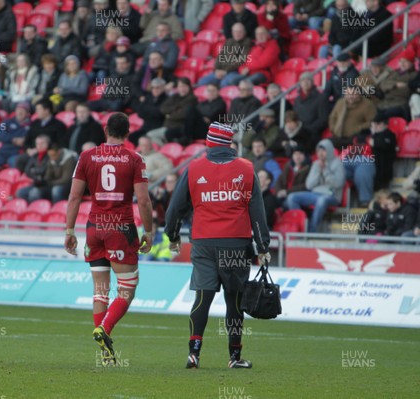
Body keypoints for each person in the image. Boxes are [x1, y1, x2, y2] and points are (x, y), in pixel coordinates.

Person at [164, 121, 270, 370]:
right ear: (229, 144)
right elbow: (257, 213)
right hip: (236, 244)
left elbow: (175, 209)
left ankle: (194, 354)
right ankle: (234, 358)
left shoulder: (193, 168)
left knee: (202, 299)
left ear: (209, 143)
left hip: (203, 243)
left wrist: (173, 236)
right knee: (234, 302)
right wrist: (263, 246)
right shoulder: (246, 169)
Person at [64, 112, 153, 366]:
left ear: (105, 131)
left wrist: (69, 231)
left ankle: (104, 351)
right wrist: (148, 230)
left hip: (94, 226)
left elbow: (74, 197)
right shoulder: (135, 159)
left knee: (100, 290)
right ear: (127, 133)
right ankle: (105, 329)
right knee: (127, 288)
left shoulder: (86, 157)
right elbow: (144, 200)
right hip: (121, 228)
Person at [286, 139, 346, 232]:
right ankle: (301, 225)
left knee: (321, 200)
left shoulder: (338, 163)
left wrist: (325, 170)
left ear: (329, 150)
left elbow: (338, 183)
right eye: (319, 151)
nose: (321, 153)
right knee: (291, 197)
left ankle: (312, 230)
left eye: (323, 150)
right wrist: (318, 170)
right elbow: (309, 185)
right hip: (315, 193)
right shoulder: (316, 164)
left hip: (332, 195)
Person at [197, 23, 252, 88]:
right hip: (221, 70)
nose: (237, 34)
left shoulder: (247, 42)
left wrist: (225, 71)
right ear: (232, 32)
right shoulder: (229, 41)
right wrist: (216, 70)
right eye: (235, 31)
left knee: (224, 84)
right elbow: (220, 56)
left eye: (240, 31)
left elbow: (240, 60)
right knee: (202, 82)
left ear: (244, 32)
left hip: (234, 71)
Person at [0, 102, 31, 168]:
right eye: (18, 110)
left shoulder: (31, 125)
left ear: (27, 113)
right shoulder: (6, 121)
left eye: (22, 111)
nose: (19, 112)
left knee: (16, 164)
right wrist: (13, 139)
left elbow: (27, 140)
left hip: (17, 153)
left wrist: (23, 141)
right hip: (2, 152)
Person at [293, 72, 328, 148]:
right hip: (298, 131)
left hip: (312, 134)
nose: (305, 82)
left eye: (308, 79)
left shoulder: (321, 98)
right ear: (300, 83)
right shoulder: (297, 100)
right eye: (303, 80)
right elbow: (294, 117)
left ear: (312, 82)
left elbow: (323, 119)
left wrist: (309, 129)